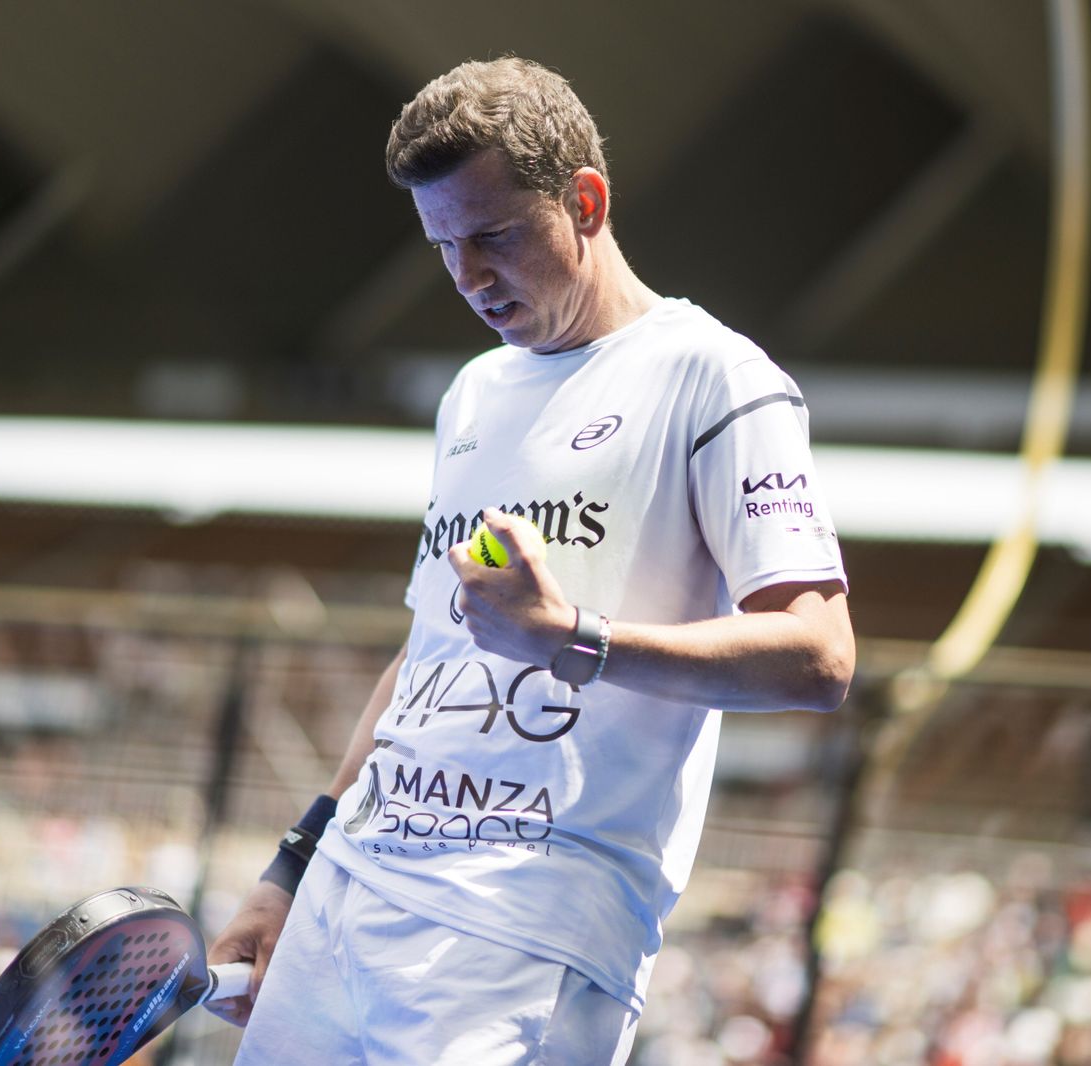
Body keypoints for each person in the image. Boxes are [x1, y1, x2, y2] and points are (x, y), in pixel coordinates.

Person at [208, 56, 854, 1065]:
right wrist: (294, 863)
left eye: (493, 235)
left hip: (529, 923)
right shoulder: (471, 394)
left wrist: (572, 639)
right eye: (443, 246)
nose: (467, 276)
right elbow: (429, 651)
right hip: (352, 894)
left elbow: (819, 657)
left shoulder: (716, 379)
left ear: (585, 201)